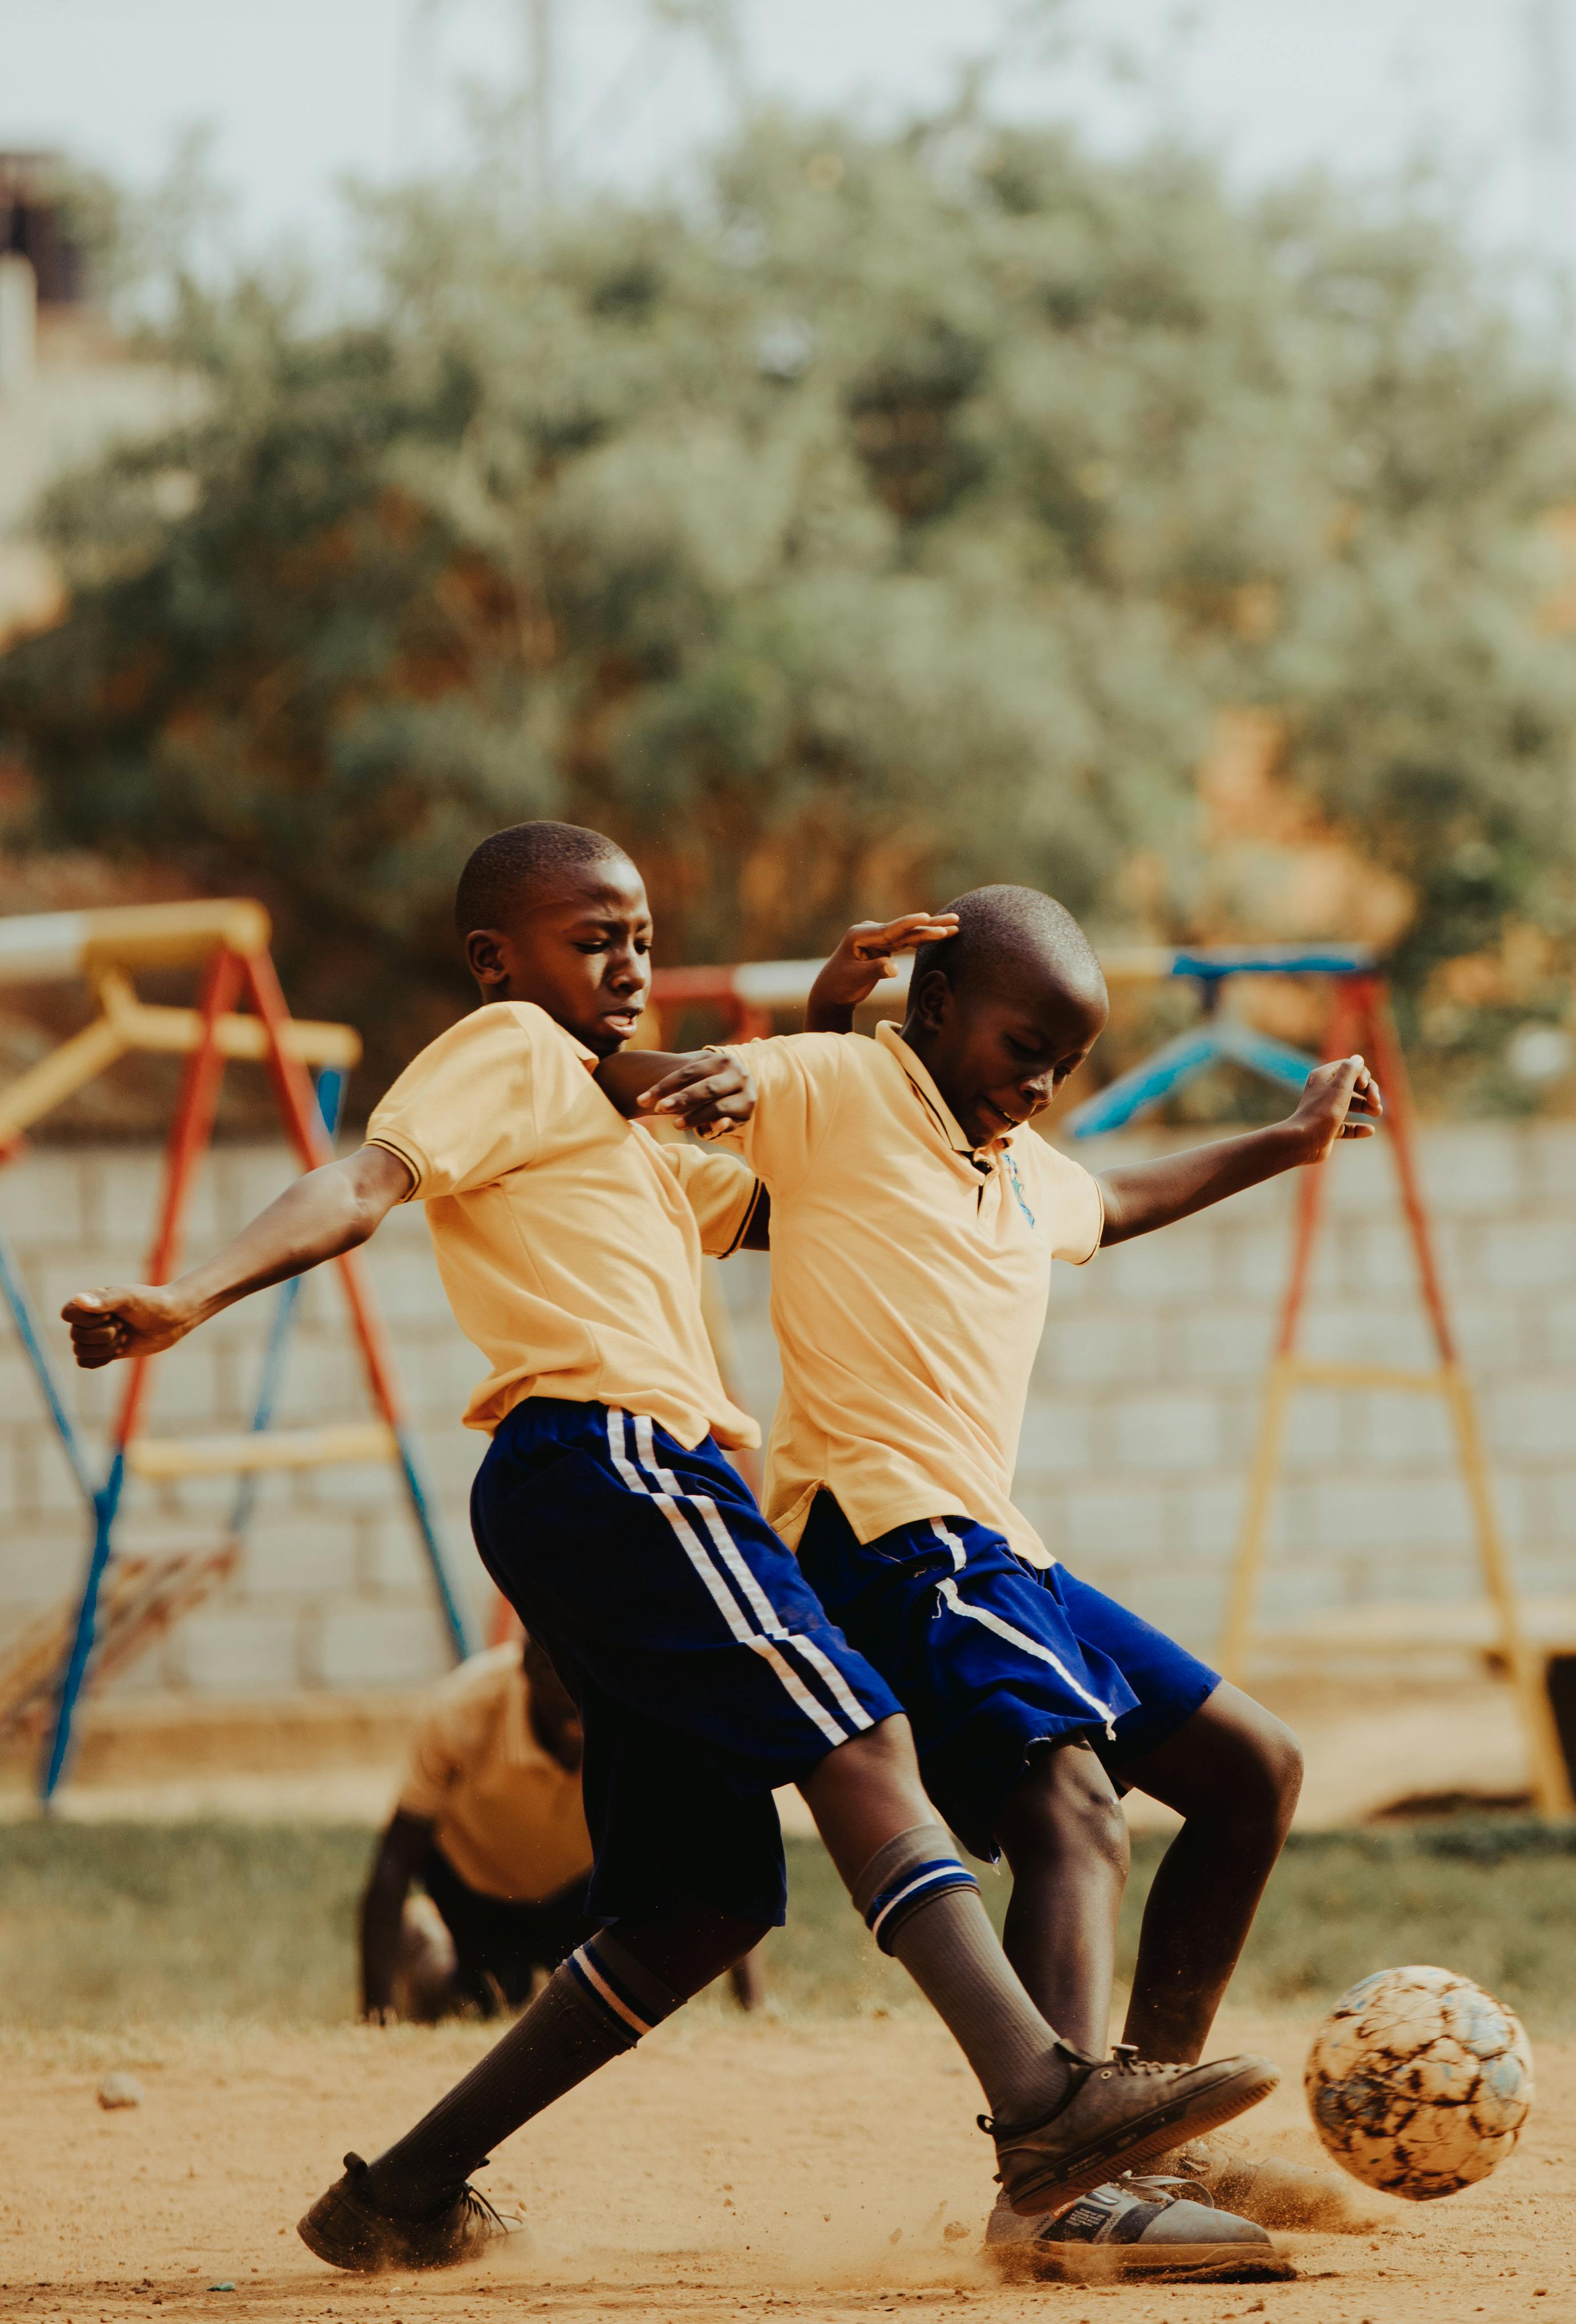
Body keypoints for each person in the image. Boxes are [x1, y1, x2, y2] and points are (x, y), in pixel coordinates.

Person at [61, 827, 1278, 2279]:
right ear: (495, 960)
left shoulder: (624, 1135)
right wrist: (191, 1294)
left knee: (695, 1904)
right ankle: (1046, 2106)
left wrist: (829, 1031)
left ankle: (402, 2192)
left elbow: (829, 1194)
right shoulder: (507, 1049)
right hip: (612, 1455)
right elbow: (363, 1182)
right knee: (861, 1738)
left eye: (640, 934)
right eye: (593, 936)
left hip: (609, 1482)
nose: (628, 962)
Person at [608, 885, 1378, 2276]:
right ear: (937, 1007)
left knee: (1248, 1771)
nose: (1036, 1083)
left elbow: (1118, 1198)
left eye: (1063, 1066)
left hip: (993, 1543)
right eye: (1021, 1044)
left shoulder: (1018, 1169)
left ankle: (1130, 2126)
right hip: (886, 1534)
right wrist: (772, 1037)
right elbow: (711, 1086)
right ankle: (1054, 2181)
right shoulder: (847, 1084)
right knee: (1072, 1808)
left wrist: (1288, 1137)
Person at [363, 1633, 763, 2021]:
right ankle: (426, 1942)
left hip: (582, 1890)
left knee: (609, 2005)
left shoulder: (649, 1705)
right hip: (474, 1889)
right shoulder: (464, 1708)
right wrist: (376, 2015)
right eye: (563, 1695)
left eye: (591, 1693)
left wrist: (752, 2006)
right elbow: (396, 1859)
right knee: (473, 2003)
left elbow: (712, 1853)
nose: (580, 1718)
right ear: (530, 1669)